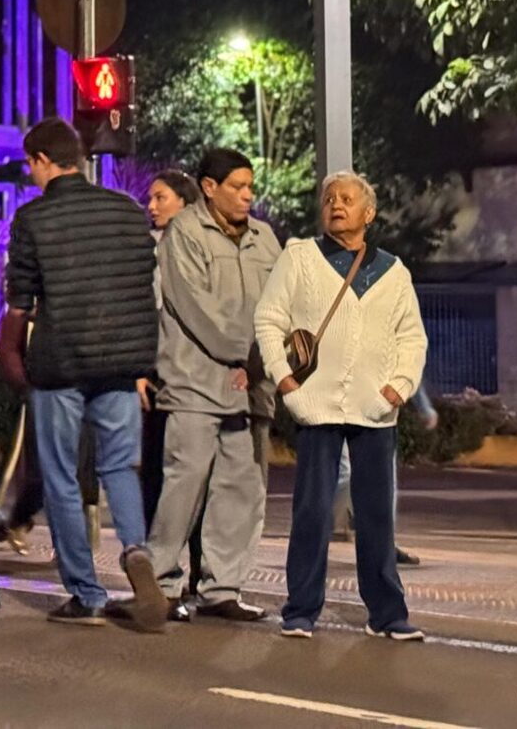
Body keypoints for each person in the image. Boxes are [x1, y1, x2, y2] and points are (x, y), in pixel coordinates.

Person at [0, 118, 165, 630]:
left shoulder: (34, 218)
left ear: (45, 160)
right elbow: (143, 281)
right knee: (119, 468)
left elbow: (20, 301)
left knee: (63, 476)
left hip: (60, 363)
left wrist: (12, 358)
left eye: (31, 164)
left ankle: (87, 594)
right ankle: (136, 552)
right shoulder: (126, 210)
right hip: (121, 360)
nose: (30, 174)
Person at [254, 171, 428, 642]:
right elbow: (269, 320)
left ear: (368, 214)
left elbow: (412, 336)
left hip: (375, 408)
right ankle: (300, 609)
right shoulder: (301, 257)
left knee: (376, 515)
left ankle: (387, 613)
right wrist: (286, 381)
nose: (336, 204)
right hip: (317, 404)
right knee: (311, 511)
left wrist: (399, 386)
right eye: (330, 198)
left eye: (347, 199)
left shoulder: (392, 271)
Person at [144, 148, 280, 624]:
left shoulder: (265, 239)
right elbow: (196, 308)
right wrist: (246, 354)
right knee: (186, 481)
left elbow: (280, 306)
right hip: (194, 381)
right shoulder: (183, 234)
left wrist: (263, 363)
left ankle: (221, 588)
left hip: (247, 385)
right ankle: (160, 582)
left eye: (250, 186)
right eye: (237, 186)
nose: (247, 195)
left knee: (239, 487)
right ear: (208, 187)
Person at [137, 169, 199, 533]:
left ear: (185, 202)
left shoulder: (203, 247)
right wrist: (142, 371)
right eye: (151, 198)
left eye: (160, 197)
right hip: (161, 372)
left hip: (198, 373)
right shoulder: (151, 248)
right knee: (156, 467)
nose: (152, 205)